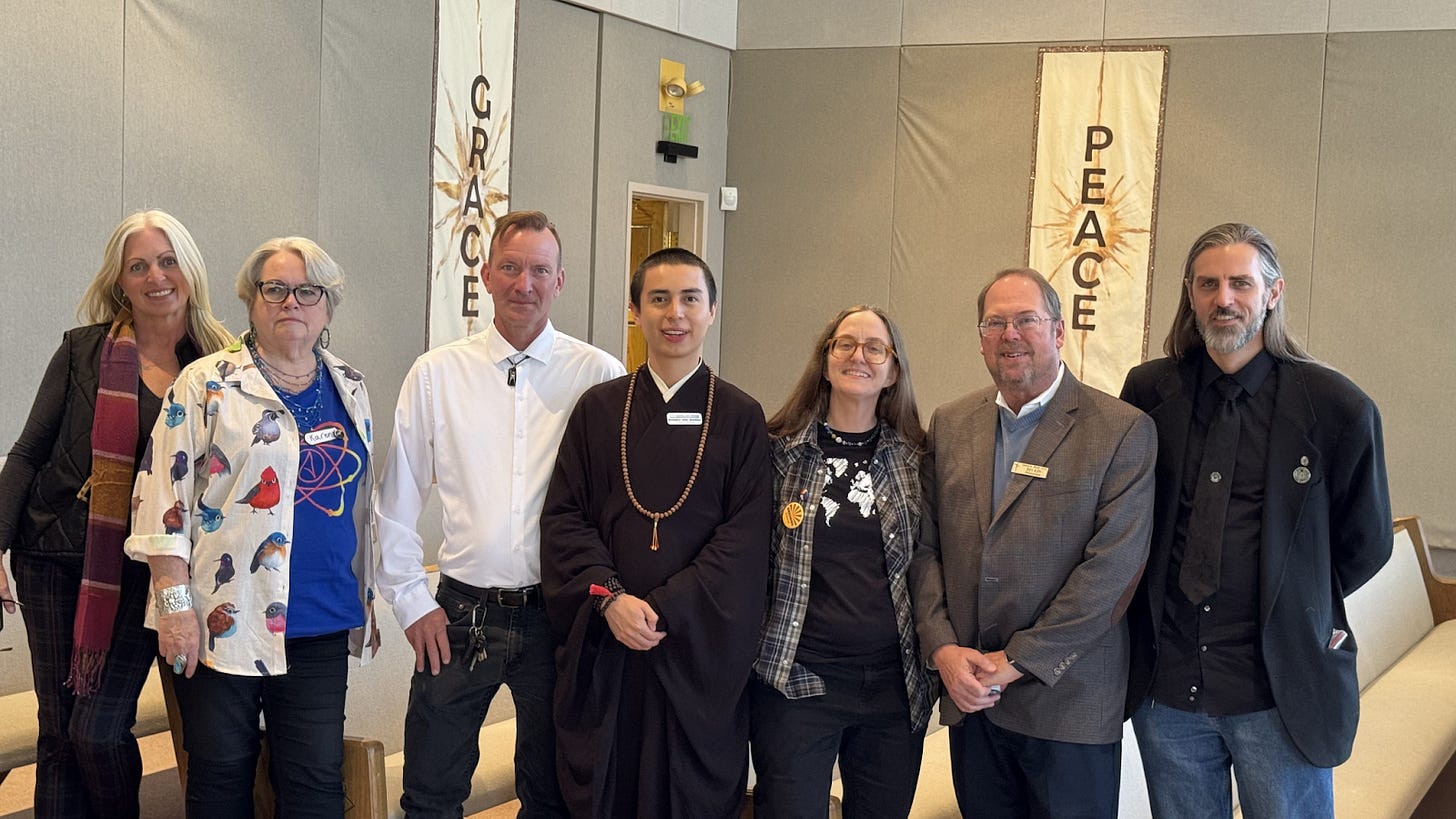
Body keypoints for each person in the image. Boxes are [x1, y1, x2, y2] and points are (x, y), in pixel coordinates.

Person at [1120, 223, 1392, 818]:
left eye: (1240, 283)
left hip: (1278, 690)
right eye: (1208, 284)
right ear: (1189, 295)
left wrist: (1297, 599)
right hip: (1168, 690)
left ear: (1272, 294)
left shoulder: (1336, 407)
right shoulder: (1147, 393)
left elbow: (1366, 543)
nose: (1224, 298)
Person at [375, 210, 623, 818]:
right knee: (430, 795)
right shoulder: (437, 375)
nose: (524, 284)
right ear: (485, 275)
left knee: (553, 796)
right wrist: (412, 603)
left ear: (560, 281)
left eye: (540, 270)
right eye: (510, 268)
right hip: (460, 616)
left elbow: (621, 506)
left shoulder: (599, 376)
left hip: (561, 616)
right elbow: (396, 501)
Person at [125, 237, 379, 818]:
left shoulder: (352, 384)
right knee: (219, 775)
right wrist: (176, 608)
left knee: (315, 782)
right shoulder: (205, 382)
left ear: (327, 305)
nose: (291, 301)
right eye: (275, 288)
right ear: (251, 300)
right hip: (221, 618)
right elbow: (164, 502)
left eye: (307, 290)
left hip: (319, 615)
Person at [0, 210, 232, 818]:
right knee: (57, 736)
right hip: (51, 557)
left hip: (150, 573)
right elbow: (27, 453)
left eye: (167, 260)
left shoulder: (222, 366)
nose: (156, 276)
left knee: (97, 732)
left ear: (189, 269)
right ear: (120, 282)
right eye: (139, 266)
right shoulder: (83, 350)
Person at [909, 267, 1156, 818]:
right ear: (980, 340)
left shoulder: (1121, 429)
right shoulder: (951, 424)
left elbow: (1112, 572)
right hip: (972, 697)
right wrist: (943, 649)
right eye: (994, 323)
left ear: (1059, 331)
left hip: (1068, 704)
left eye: (1027, 320)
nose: (1010, 334)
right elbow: (926, 551)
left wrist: (1018, 660)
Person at [540, 247, 771, 818]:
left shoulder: (741, 417)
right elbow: (565, 519)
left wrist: (665, 609)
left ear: (712, 310)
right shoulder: (599, 409)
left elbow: (744, 541)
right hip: (608, 643)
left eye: (691, 298)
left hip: (696, 651)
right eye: (659, 299)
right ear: (635, 311)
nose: (675, 314)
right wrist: (612, 601)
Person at [752, 305, 933, 819]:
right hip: (797, 677)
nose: (859, 356)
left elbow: (932, 562)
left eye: (875, 347)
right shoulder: (777, 451)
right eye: (845, 344)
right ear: (826, 360)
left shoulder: (918, 458)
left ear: (893, 370)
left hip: (894, 689)